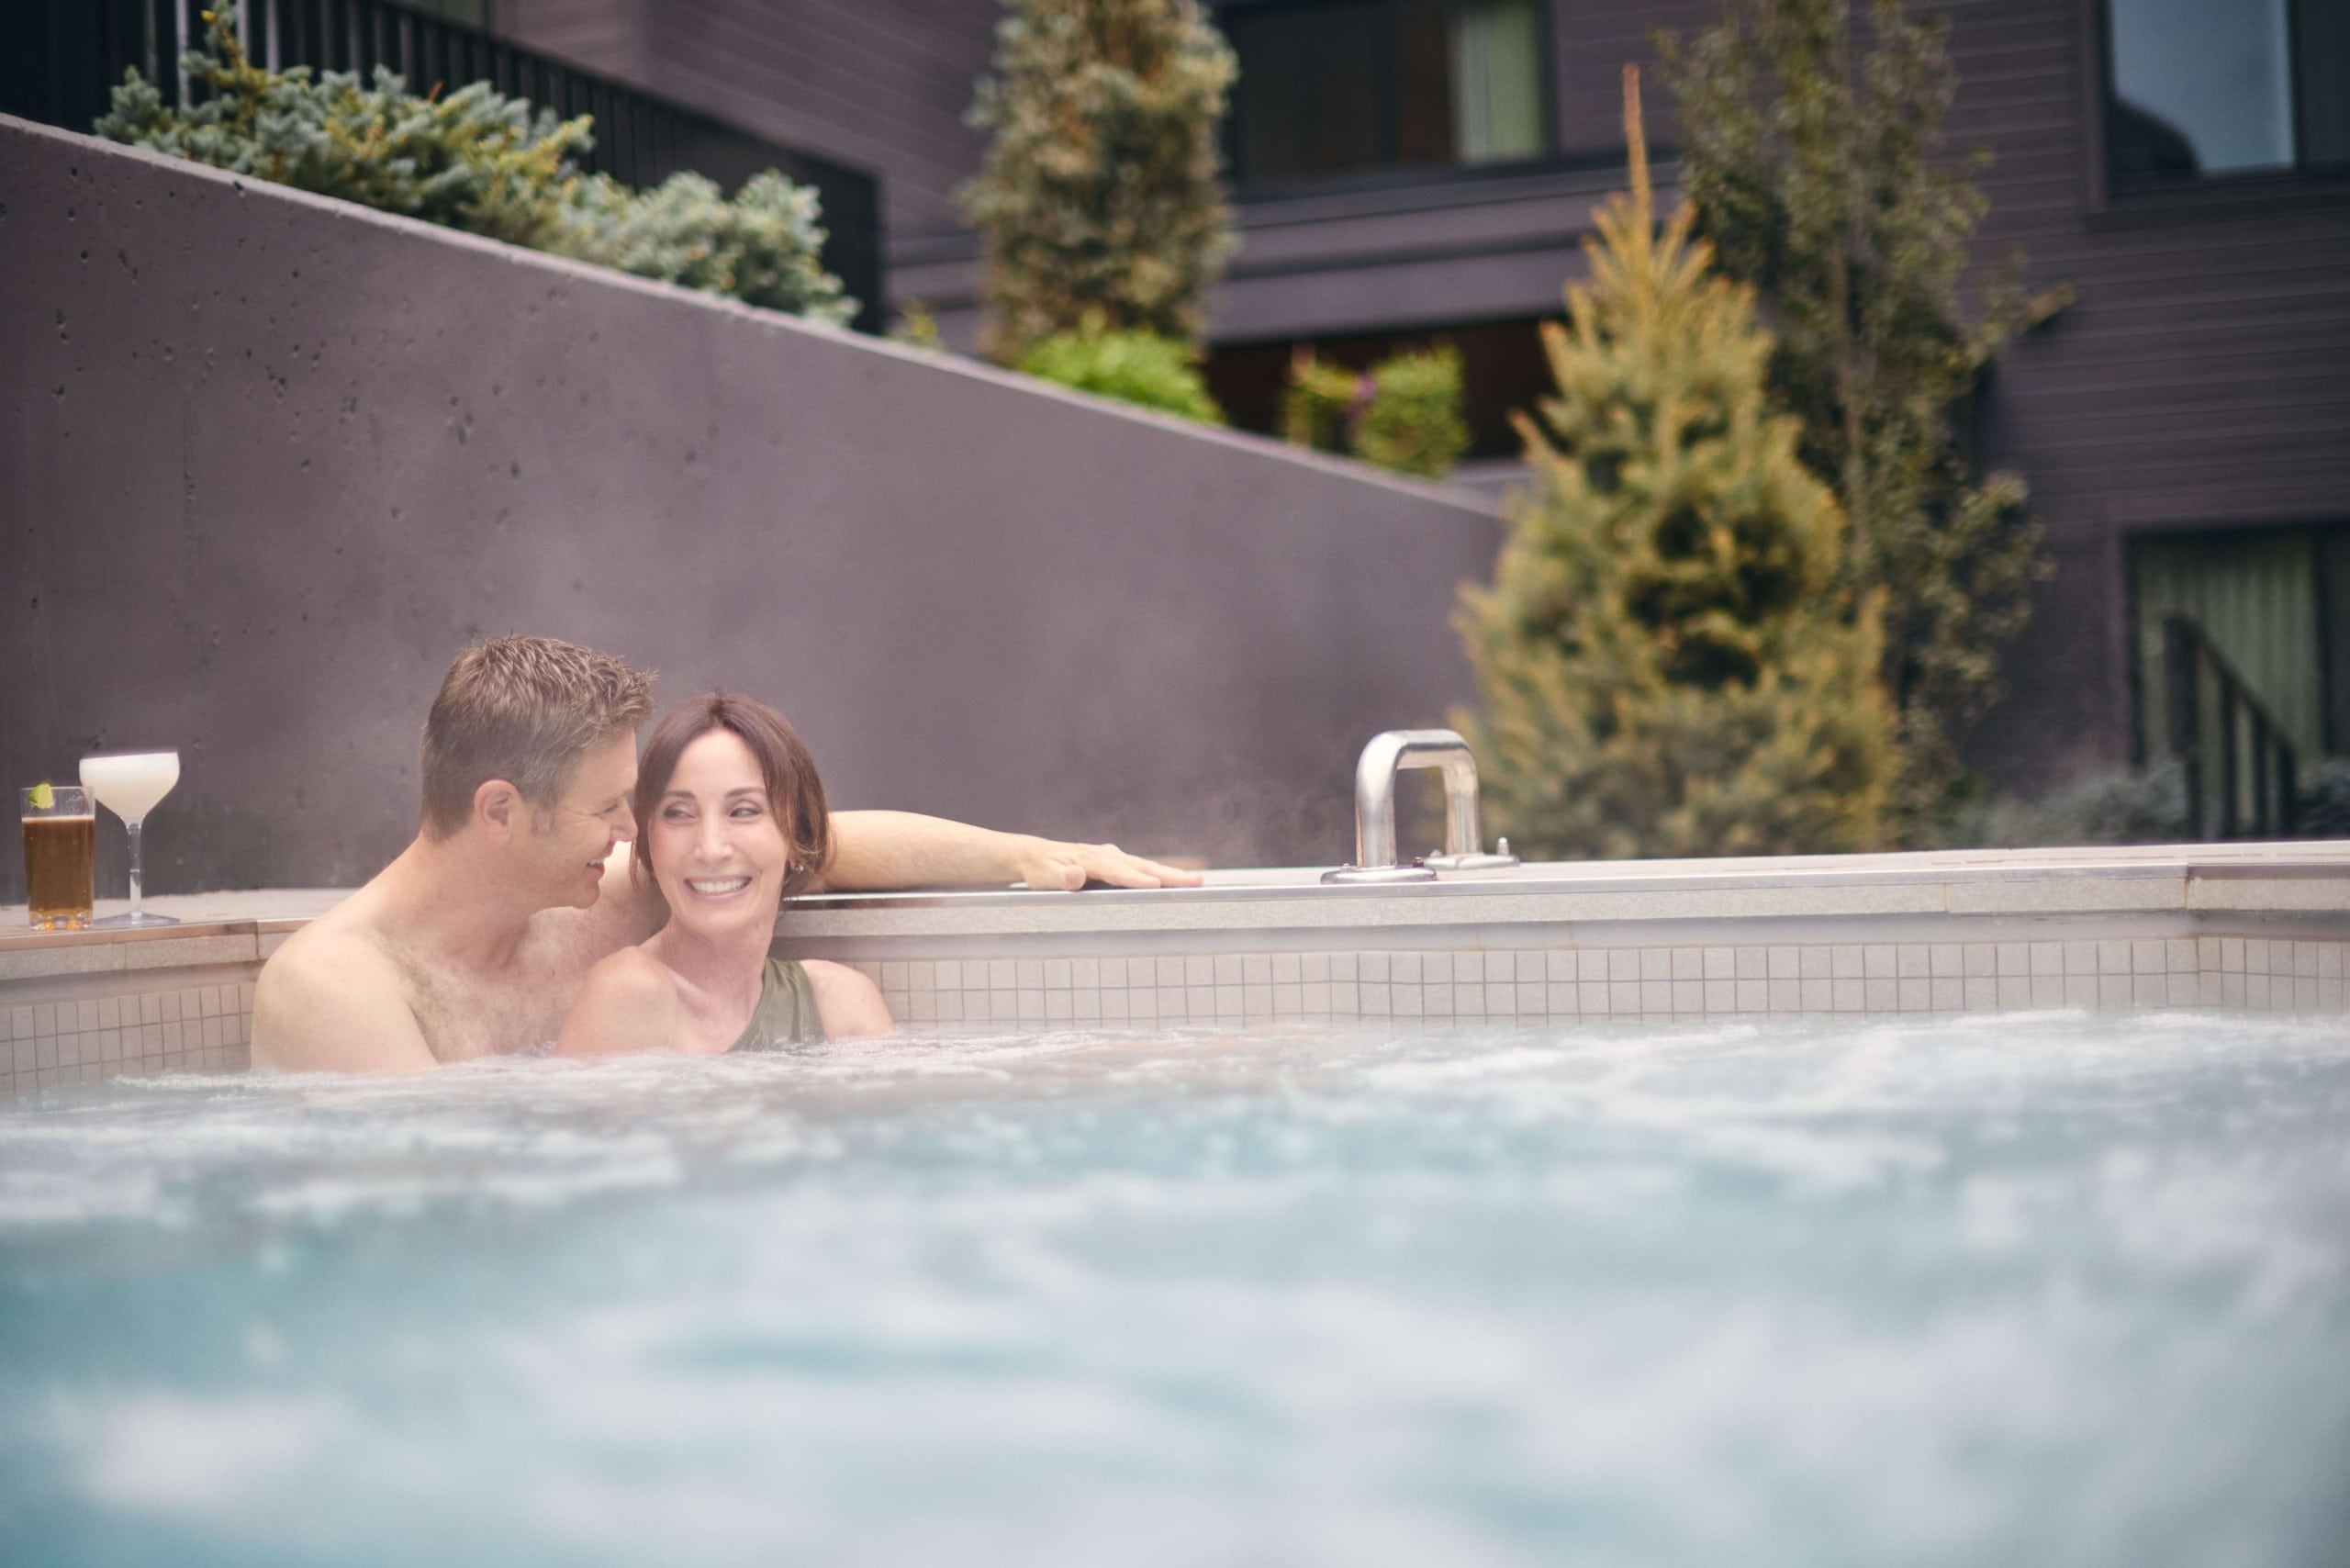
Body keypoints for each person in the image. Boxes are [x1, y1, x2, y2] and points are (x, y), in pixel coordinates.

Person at [252, 635, 1197, 1071]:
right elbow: (447, 1217)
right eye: (610, 810)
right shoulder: (338, 990)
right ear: (502, 811)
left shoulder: (577, 896)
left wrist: (1031, 859)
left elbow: (806, 838)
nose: (637, 835)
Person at [557, 692, 889, 1057]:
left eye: (743, 811)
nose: (711, 849)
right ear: (649, 838)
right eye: (679, 813)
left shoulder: (843, 1005)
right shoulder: (628, 996)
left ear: (797, 836)